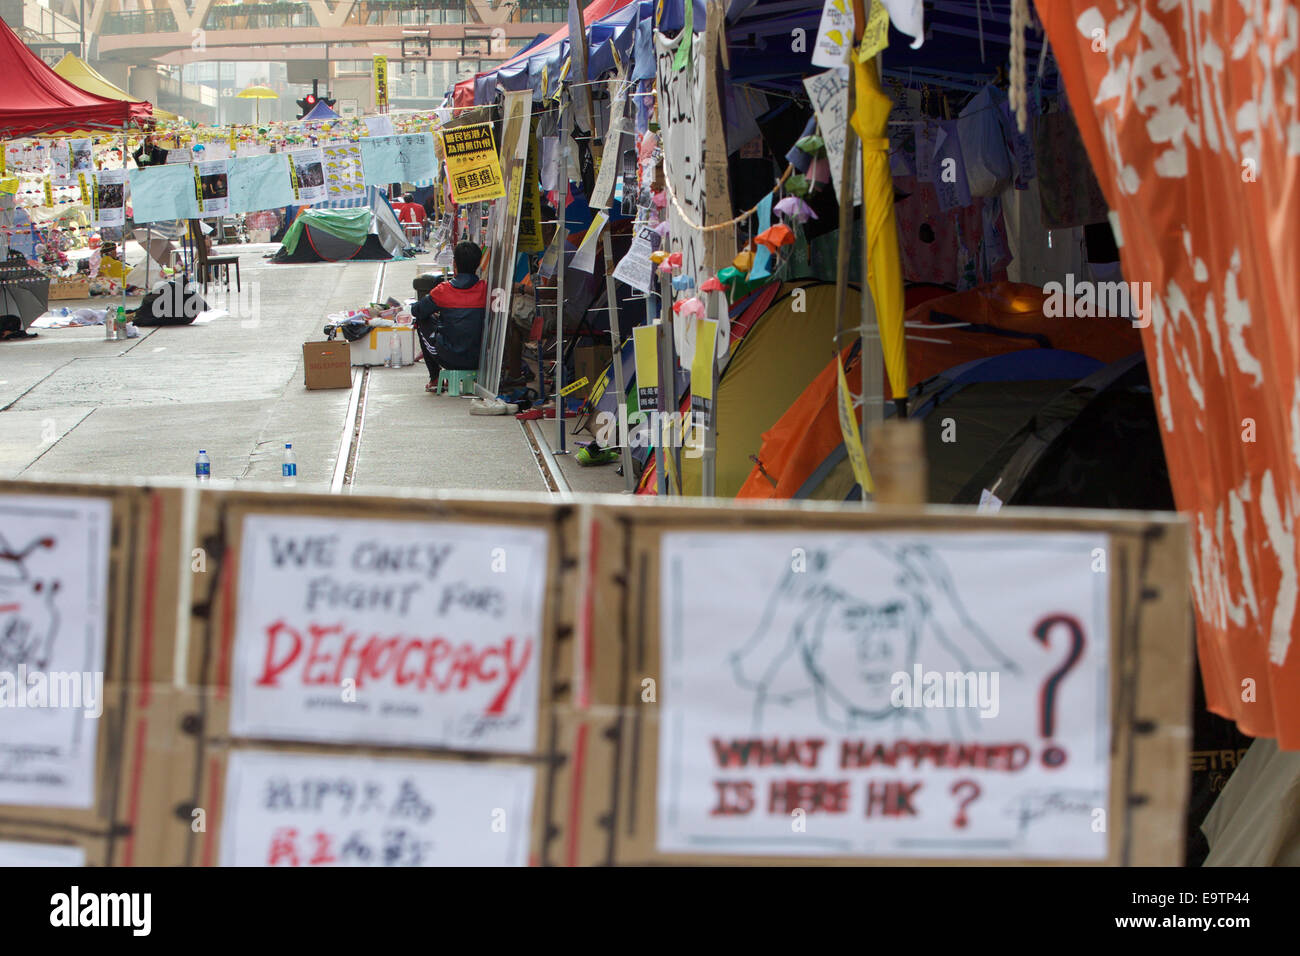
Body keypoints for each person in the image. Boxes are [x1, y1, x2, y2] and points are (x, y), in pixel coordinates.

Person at [412, 242, 487, 393]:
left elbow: (417, 311)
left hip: (449, 358)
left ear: (454, 264)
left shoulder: (443, 291)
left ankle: (434, 378)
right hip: (481, 357)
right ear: (479, 265)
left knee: (421, 320)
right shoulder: (486, 289)